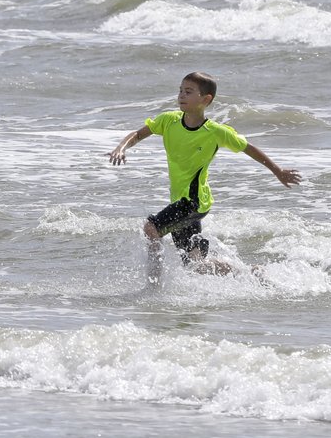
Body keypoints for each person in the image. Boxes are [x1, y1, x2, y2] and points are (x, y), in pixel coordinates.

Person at [107, 71, 301, 283]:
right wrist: (121, 148)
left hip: (194, 201)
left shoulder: (215, 132)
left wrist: (278, 172)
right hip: (181, 200)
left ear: (205, 99)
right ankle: (250, 272)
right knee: (195, 265)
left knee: (151, 228)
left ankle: (153, 287)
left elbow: (248, 147)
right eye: (180, 90)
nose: (181, 95)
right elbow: (137, 134)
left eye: (188, 92)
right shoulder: (168, 121)